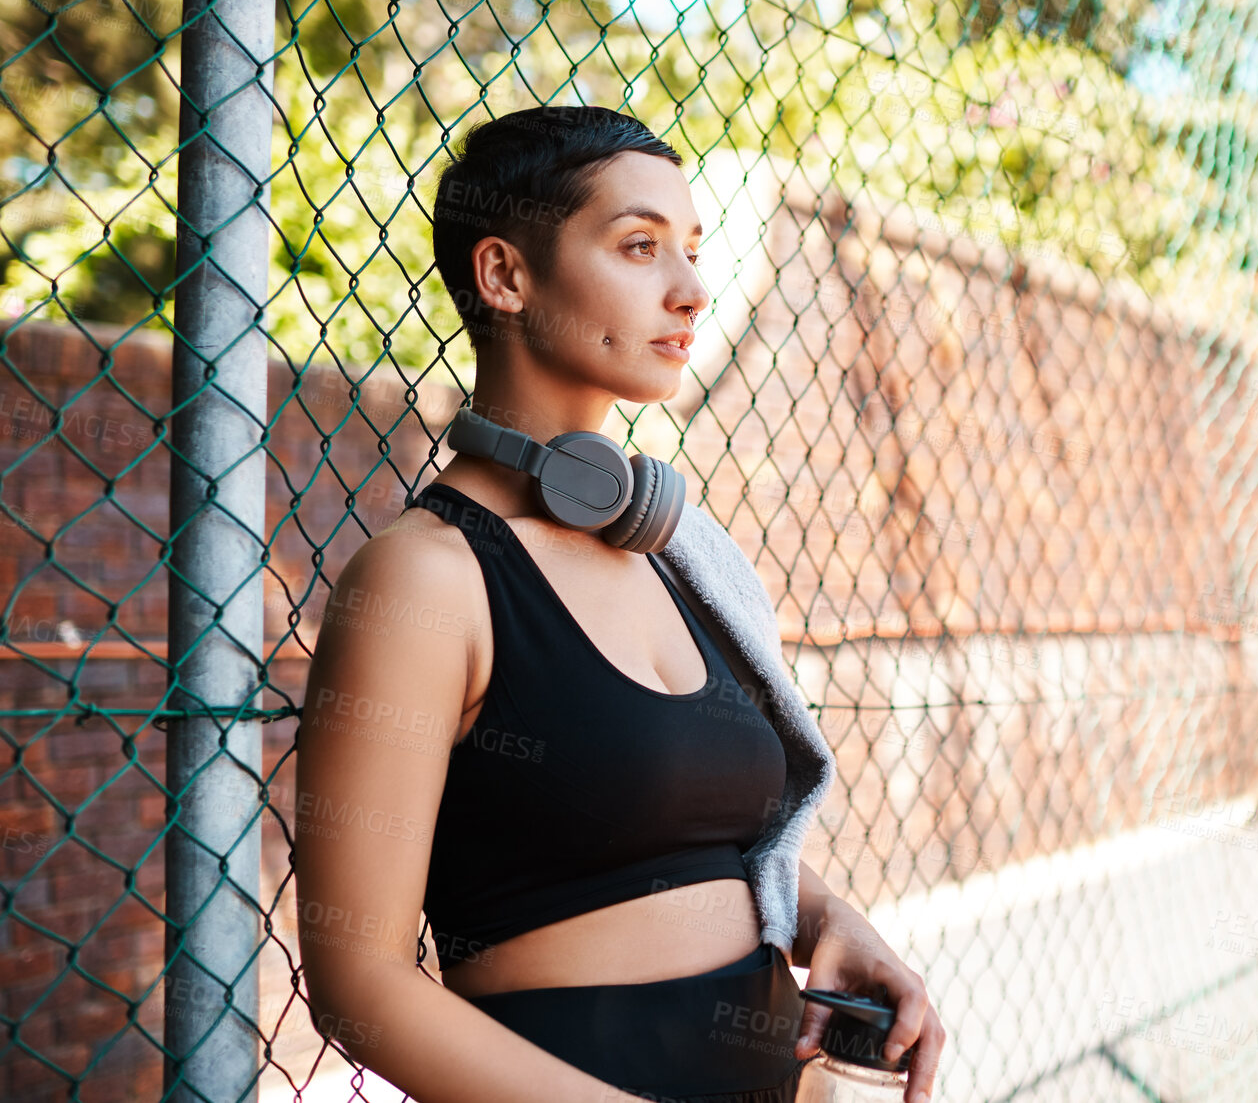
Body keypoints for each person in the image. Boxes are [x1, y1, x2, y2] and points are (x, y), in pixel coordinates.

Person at [293, 105, 945, 1103]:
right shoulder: (426, 578)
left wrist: (835, 927)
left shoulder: (675, 559)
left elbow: (687, 845)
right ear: (504, 275)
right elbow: (358, 986)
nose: (690, 290)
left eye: (691, 248)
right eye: (640, 247)